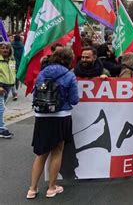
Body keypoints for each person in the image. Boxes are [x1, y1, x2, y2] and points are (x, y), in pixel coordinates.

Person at [27, 47, 79, 199]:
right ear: (69, 59)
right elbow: (74, 100)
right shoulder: (69, 75)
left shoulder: (43, 72)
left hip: (42, 115)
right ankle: (51, 187)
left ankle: (32, 189)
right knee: (57, 151)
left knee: (41, 153)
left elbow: (36, 92)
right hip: (61, 116)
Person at [0, 42, 15, 139]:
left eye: (7, 48)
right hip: (0, 86)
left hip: (8, 86)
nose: (5, 50)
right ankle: (2, 129)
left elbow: (13, 71)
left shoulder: (12, 60)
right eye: (3, 48)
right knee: (1, 108)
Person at [11, 34, 24, 100]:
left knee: (12, 77)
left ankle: (14, 92)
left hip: (12, 63)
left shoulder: (11, 45)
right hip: (20, 64)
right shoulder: (22, 46)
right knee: (17, 78)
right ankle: (16, 90)